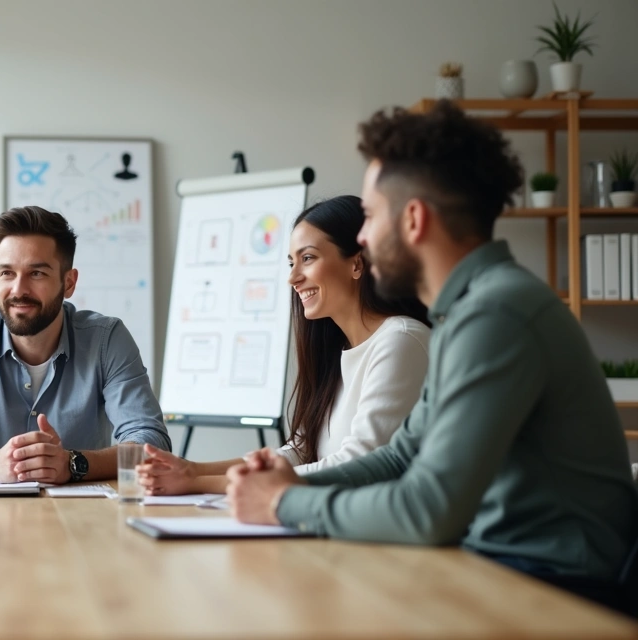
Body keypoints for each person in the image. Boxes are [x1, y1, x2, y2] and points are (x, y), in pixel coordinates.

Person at [226, 101, 638, 609]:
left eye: (371, 217)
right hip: (504, 569)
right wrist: (285, 482)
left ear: (414, 219)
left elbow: (429, 508)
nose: (362, 238)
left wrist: (285, 502)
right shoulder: (467, 313)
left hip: (553, 590)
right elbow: (402, 455)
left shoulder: (497, 315)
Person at [137, 196, 431, 496]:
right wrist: (195, 469)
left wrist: (199, 483)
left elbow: (357, 464)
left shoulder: (401, 341)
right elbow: (301, 451)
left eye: (308, 258)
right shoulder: (336, 351)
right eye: (291, 262)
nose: (292, 277)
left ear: (357, 263)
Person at [0, 206, 171, 483]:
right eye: (7, 273)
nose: (18, 290)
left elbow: (152, 444)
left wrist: (73, 463)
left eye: (36, 274)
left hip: (82, 516)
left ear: (69, 283)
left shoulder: (106, 339)